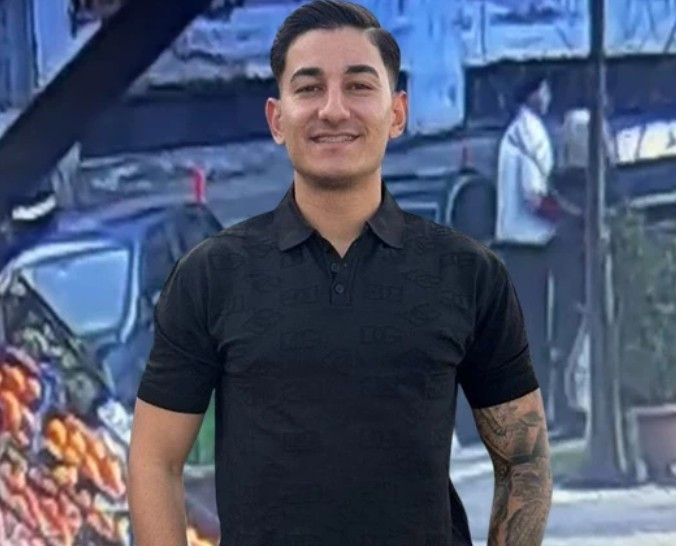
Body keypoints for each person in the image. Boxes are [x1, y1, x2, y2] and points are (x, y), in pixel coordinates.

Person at [127, 2, 552, 545]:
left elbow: (523, 460)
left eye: (358, 86)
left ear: (397, 113)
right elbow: (155, 461)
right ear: (276, 119)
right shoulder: (211, 276)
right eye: (308, 88)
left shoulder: (468, 275)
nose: (332, 110)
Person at [494, 76, 582, 436]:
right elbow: (534, 195)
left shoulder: (513, 132)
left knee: (526, 332)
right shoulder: (529, 134)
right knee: (538, 333)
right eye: (544, 89)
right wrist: (570, 217)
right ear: (533, 92)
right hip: (532, 248)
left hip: (516, 247)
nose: (548, 96)